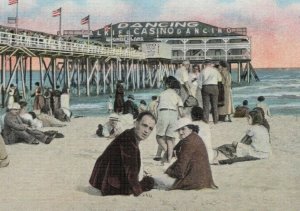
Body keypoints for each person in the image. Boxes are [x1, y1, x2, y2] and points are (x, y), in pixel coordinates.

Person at [89, 111, 157, 196]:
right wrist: (138, 192)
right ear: (135, 123)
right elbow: (130, 169)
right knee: (150, 182)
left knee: (149, 180)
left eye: (150, 128)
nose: (146, 131)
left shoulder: (129, 134)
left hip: (104, 178)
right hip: (110, 185)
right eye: (144, 125)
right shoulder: (128, 140)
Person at [153, 117, 217, 190]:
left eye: (183, 129)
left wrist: (167, 170)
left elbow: (179, 172)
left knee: (153, 180)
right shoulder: (194, 137)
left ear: (190, 129)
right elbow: (177, 151)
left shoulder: (188, 143)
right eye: (179, 130)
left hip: (193, 181)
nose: (180, 132)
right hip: (203, 180)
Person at [156, 76, 184, 163]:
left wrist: (156, 116)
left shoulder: (162, 93)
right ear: (176, 89)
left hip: (163, 113)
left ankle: (167, 151)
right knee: (170, 139)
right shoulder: (177, 96)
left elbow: (155, 106)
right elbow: (181, 111)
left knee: (159, 137)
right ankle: (169, 159)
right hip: (174, 115)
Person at [198, 58, 223, 124]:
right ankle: (216, 121)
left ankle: (206, 121)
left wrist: (201, 88)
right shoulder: (215, 70)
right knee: (214, 105)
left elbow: (199, 82)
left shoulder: (203, 71)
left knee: (206, 105)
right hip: (214, 87)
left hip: (206, 87)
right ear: (210, 64)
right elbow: (220, 79)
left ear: (204, 64)